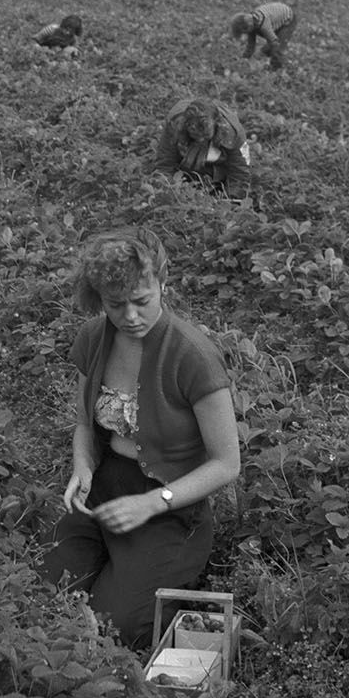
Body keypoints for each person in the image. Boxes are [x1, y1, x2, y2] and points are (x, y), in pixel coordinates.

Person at [41, 227, 239, 649]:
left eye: (142, 301)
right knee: (46, 594)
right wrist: (83, 464)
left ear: (162, 285)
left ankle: (140, 571)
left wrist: (153, 502)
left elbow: (227, 464)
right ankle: (114, 566)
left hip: (172, 507)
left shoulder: (193, 356)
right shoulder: (94, 339)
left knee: (115, 628)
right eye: (116, 304)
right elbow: (84, 422)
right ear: (99, 300)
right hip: (108, 489)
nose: (130, 316)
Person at [153, 97, 251, 199]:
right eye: (196, 136)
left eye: (205, 136)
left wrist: (232, 201)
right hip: (183, 172)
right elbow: (165, 165)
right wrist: (170, 193)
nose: (200, 140)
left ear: (217, 123)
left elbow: (239, 172)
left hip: (220, 168)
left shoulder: (233, 133)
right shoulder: (175, 125)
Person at [230, 0, 296, 72]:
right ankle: (271, 61)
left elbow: (274, 43)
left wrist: (261, 51)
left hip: (288, 19)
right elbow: (251, 45)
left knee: (278, 47)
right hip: (275, 18)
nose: (246, 34)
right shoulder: (251, 23)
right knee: (269, 47)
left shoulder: (264, 26)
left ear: (248, 27)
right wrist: (245, 58)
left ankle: (279, 69)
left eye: (244, 32)